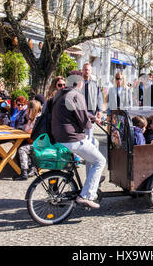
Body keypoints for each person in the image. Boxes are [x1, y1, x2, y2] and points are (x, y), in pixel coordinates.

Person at [52, 70, 106, 209]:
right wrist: (91, 122)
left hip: (60, 137)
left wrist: (94, 118)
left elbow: (81, 112)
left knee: (94, 142)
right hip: (71, 139)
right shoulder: (76, 95)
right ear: (80, 82)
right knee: (100, 161)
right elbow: (84, 121)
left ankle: (91, 179)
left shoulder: (61, 93)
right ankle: (86, 195)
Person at [13, 100, 43, 181]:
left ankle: (24, 173)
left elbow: (28, 130)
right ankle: (31, 169)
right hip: (36, 142)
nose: (26, 111)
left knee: (22, 149)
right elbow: (26, 128)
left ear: (32, 110)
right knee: (22, 144)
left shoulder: (37, 118)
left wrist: (29, 118)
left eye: (28, 109)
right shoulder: (36, 116)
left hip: (40, 145)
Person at [81, 63, 103, 139]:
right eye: (85, 69)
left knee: (89, 136)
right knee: (79, 135)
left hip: (91, 112)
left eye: (88, 70)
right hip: (80, 113)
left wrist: (100, 110)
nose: (87, 71)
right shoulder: (78, 82)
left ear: (91, 71)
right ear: (82, 70)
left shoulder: (95, 82)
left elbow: (99, 96)